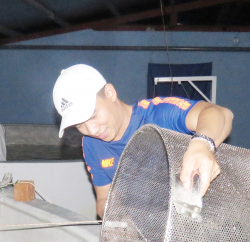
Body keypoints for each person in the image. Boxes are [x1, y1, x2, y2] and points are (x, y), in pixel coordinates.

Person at [52, 64, 233, 218]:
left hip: (206, 223)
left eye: (93, 115)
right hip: (149, 240)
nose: (91, 130)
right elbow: (103, 199)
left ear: (110, 93)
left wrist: (202, 145)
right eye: (79, 125)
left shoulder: (158, 114)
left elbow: (222, 114)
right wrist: (117, 220)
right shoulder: (91, 144)